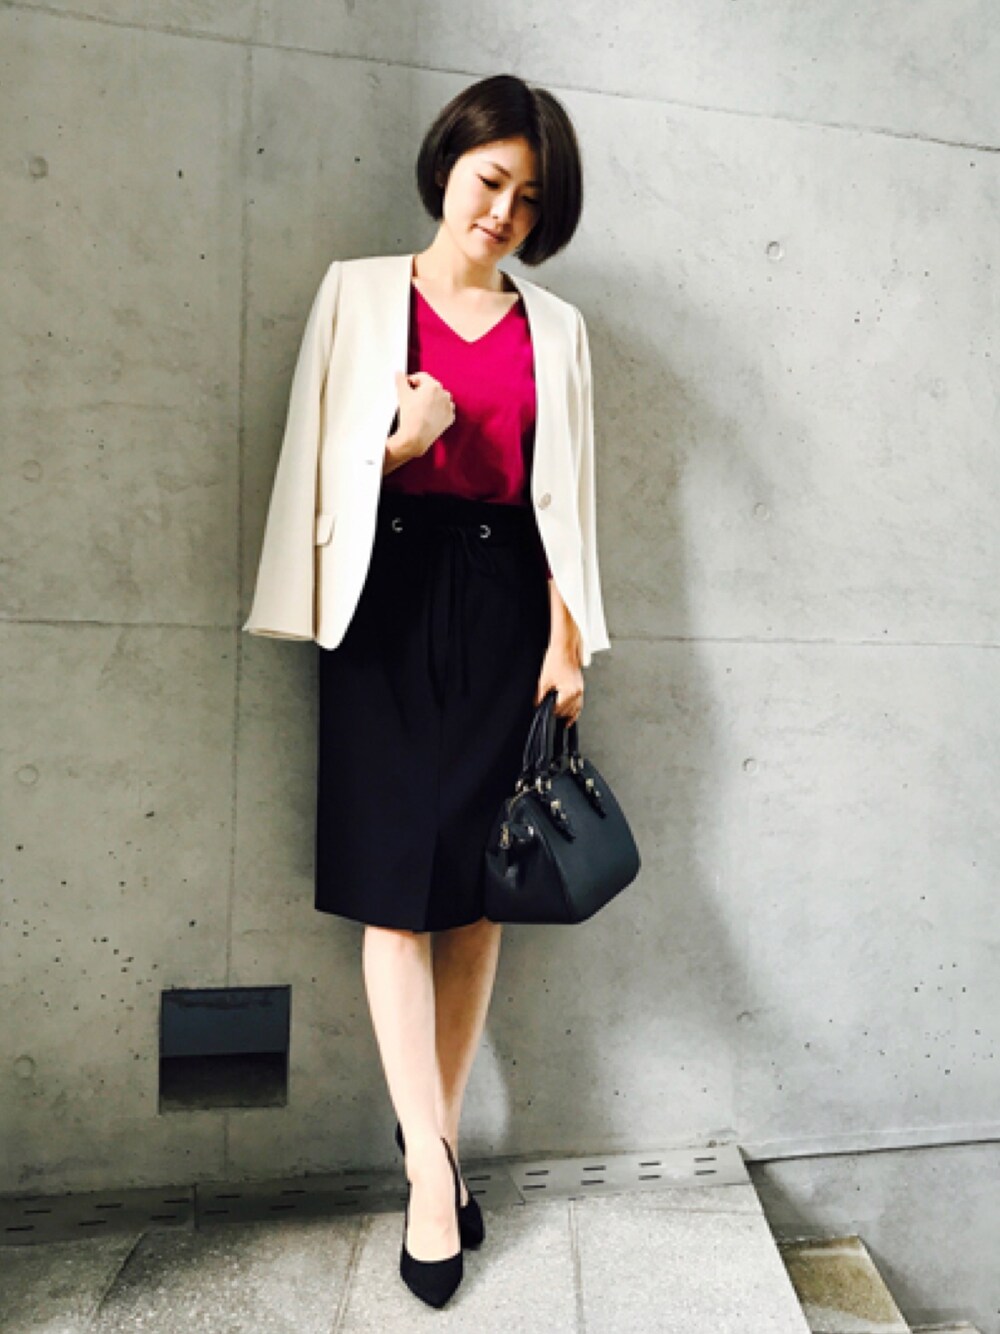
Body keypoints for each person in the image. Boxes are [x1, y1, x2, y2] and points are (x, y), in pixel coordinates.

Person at [245, 72, 610, 1308]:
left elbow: (567, 503)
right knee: (394, 895)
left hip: (508, 603)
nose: (502, 210)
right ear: (448, 163)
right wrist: (394, 446)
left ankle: (431, 1152)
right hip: (382, 599)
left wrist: (568, 642)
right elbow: (310, 465)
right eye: (490, 179)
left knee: (477, 892)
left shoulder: (556, 329)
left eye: (529, 197)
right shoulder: (358, 292)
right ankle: (430, 1175)